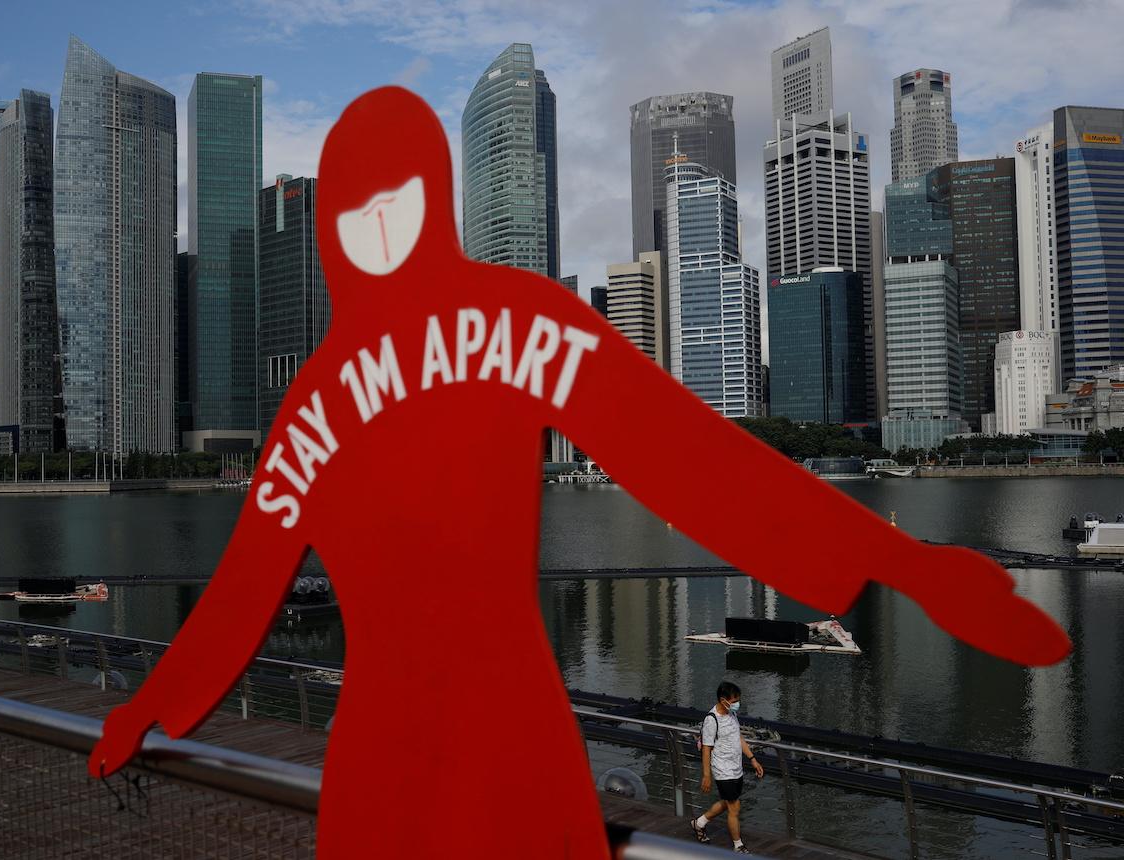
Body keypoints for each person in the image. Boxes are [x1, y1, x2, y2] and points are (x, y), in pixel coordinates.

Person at [88, 86, 1070, 860]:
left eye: (401, 203)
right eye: (358, 213)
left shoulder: (505, 326)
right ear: (329, 231)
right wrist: (142, 708)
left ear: (436, 201)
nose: (382, 229)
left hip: (506, 754)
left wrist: (901, 563)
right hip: (384, 774)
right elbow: (236, 595)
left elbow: (696, 464)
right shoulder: (321, 399)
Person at [692, 681, 763, 854]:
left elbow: (739, 738)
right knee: (734, 806)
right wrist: (706, 775)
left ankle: (699, 823)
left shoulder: (732, 714)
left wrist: (752, 759)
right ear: (724, 700)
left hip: (736, 767)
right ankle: (738, 845)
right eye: (735, 700)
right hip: (722, 769)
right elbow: (707, 749)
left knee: (728, 802)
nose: (737, 704)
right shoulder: (712, 719)